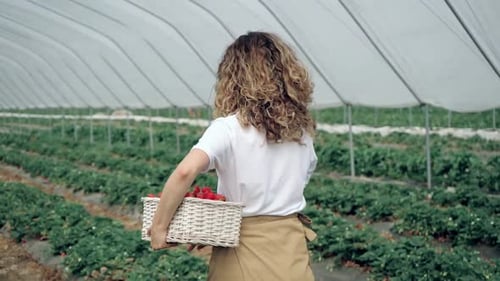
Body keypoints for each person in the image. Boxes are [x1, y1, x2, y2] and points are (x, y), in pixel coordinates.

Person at [149, 31, 318, 281]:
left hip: (242, 247)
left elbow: (186, 171)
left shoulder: (229, 128)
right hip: (289, 246)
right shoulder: (301, 131)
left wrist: (160, 227)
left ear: (233, 78)